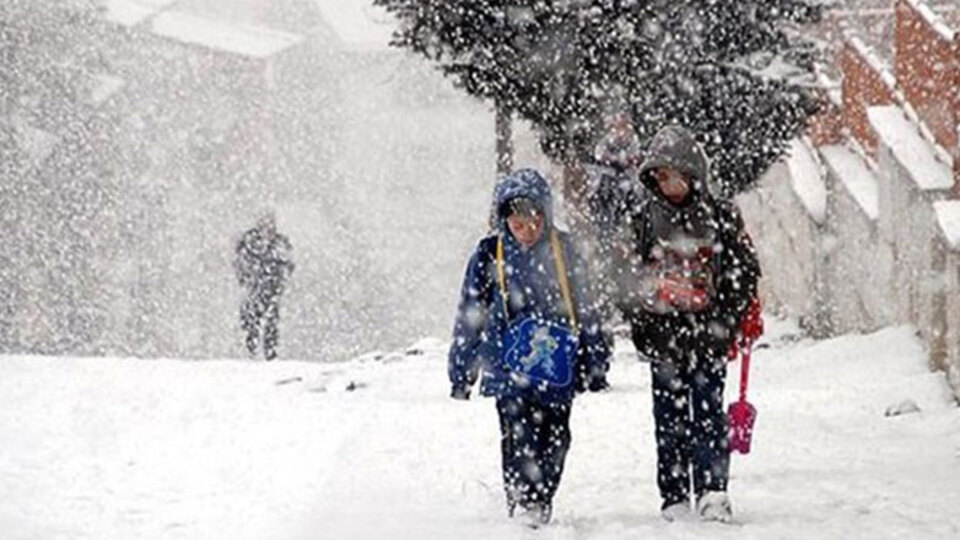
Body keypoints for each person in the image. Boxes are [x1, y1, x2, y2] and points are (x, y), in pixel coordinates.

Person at [448, 169, 611, 527]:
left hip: (557, 365)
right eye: (518, 224)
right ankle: (523, 498)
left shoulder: (565, 251)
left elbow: (587, 308)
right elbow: (470, 313)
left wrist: (596, 359)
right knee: (517, 433)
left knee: (556, 436)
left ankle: (542, 495)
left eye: (534, 222)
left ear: (546, 216)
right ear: (505, 221)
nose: (526, 231)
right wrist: (462, 370)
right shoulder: (490, 254)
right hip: (507, 365)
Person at [618, 126, 761, 522]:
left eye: (676, 175)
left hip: (709, 336)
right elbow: (624, 276)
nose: (670, 185)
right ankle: (674, 493)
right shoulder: (643, 218)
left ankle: (714, 490)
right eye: (661, 177)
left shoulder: (720, 215)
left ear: (694, 173)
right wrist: (644, 316)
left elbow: (744, 271)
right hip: (664, 339)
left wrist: (727, 317)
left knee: (709, 414)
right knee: (669, 418)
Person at [234, 211, 295, 360]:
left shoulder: (279, 244)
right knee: (251, 321)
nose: (268, 229)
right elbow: (240, 264)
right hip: (254, 288)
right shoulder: (249, 243)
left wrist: (280, 279)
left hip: (272, 289)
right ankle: (251, 352)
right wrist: (247, 278)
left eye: (270, 224)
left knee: (271, 322)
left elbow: (288, 264)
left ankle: (270, 354)